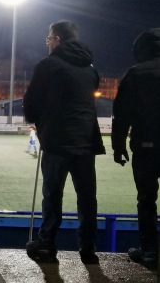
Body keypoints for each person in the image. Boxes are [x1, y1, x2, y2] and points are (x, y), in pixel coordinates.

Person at [23, 20, 105, 264]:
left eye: (48, 39)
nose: (47, 43)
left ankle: (47, 245)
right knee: (87, 198)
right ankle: (88, 249)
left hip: (57, 141)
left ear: (57, 39)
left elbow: (31, 101)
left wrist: (39, 124)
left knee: (52, 195)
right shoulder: (90, 69)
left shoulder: (48, 65)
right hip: (85, 141)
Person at [112, 28, 160, 265]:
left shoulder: (136, 73)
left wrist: (118, 145)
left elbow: (121, 113)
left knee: (146, 199)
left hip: (146, 147)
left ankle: (150, 251)